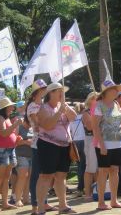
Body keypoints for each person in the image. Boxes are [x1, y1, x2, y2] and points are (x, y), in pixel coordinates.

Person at [36, 83, 77, 214]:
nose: (62, 94)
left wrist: (64, 109)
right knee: (46, 176)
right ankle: (41, 208)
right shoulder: (43, 108)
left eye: (63, 92)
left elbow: (74, 117)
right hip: (48, 145)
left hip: (65, 146)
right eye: (59, 91)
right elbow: (47, 125)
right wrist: (59, 112)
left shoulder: (63, 106)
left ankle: (62, 206)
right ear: (51, 93)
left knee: (61, 175)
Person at [92, 80, 121, 211]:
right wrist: (101, 145)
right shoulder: (99, 105)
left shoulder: (116, 104)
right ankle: (101, 202)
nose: (117, 91)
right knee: (103, 172)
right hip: (104, 145)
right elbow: (95, 127)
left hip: (117, 144)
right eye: (114, 89)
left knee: (115, 171)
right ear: (106, 92)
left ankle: (114, 200)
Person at [25, 79, 55, 215]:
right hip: (38, 144)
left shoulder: (42, 104)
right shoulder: (32, 105)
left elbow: (44, 123)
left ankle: (45, 203)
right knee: (36, 176)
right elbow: (38, 124)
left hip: (47, 143)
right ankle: (34, 207)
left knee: (46, 175)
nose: (46, 90)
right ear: (38, 91)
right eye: (43, 88)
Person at [0, 97, 21, 212]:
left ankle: (5, 203)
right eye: (11, 106)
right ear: (5, 107)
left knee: (6, 178)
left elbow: (8, 134)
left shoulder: (6, 118)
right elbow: (3, 133)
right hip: (1, 150)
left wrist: (16, 138)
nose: (12, 108)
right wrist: (16, 124)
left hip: (10, 149)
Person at [81, 92, 98, 201]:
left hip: (101, 140)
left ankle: (97, 192)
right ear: (89, 100)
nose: (97, 101)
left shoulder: (101, 111)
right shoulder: (86, 112)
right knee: (90, 168)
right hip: (90, 140)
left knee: (99, 168)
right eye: (94, 99)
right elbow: (90, 127)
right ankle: (87, 193)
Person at [14, 114, 33, 207]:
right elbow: (14, 141)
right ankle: (18, 199)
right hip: (21, 155)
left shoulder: (32, 128)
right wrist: (26, 142)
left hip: (32, 156)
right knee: (22, 177)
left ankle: (26, 198)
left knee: (29, 177)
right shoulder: (19, 127)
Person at [69, 103, 86, 197]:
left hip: (75, 143)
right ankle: (82, 187)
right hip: (84, 141)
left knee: (80, 166)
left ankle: (80, 187)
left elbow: (70, 131)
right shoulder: (84, 117)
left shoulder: (72, 119)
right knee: (84, 165)